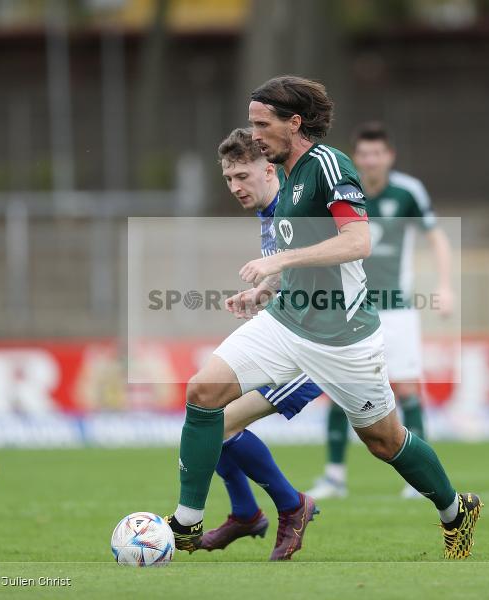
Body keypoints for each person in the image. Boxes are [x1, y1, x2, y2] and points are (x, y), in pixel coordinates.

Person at [166, 76, 482, 560]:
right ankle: (186, 522)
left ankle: (455, 511)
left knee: (384, 441)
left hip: (343, 337)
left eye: (261, 125)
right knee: (203, 393)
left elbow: (358, 242)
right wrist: (265, 288)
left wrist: (278, 263)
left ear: (294, 123)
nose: (254, 135)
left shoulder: (329, 165)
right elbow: (297, 252)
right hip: (286, 323)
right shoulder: (287, 175)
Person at [307, 121, 454, 500]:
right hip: (349, 308)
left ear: (389, 156)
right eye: (364, 154)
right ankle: (334, 476)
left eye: (377, 153)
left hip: (396, 308)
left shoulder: (407, 191)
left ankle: (417, 480)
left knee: (407, 388)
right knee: (341, 389)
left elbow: (436, 235)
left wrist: (445, 284)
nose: (371, 161)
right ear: (356, 157)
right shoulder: (341, 189)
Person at [196, 127, 324, 561]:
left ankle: (290, 506)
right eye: (228, 179)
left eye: (241, 177)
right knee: (207, 414)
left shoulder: (294, 205)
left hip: (316, 343)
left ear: (268, 170)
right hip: (285, 333)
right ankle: (247, 513)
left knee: (217, 422)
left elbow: (320, 262)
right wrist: (261, 292)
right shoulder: (270, 211)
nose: (234, 187)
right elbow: (290, 269)